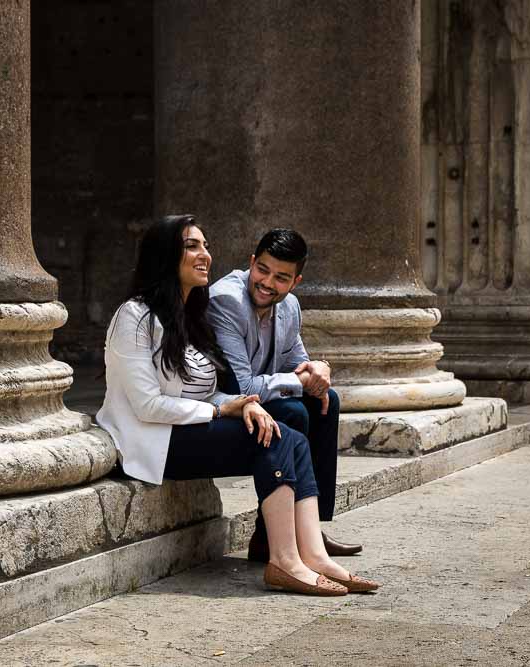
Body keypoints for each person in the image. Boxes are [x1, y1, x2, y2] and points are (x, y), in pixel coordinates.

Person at [97, 215, 378, 596]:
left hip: (183, 428)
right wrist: (221, 410)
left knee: (290, 434)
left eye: (205, 245)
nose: (205, 255)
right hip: (151, 442)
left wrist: (240, 404)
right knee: (276, 438)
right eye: (192, 246)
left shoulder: (190, 315)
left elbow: (202, 392)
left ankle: (312, 555)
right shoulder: (134, 317)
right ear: (165, 256)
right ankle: (285, 562)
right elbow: (148, 406)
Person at [207, 228, 362, 563]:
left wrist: (319, 370)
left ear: (295, 282)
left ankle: (308, 528)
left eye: (281, 277)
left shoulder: (289, 306)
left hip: (259, 397)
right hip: (226, 403)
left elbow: (299, 365)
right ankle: (272, 536)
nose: (267, 282)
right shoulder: (226, 301)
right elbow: (243, 387)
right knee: (295, 411)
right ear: (251, 262)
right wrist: (300, 379)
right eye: (262, 269)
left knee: (326, 402)